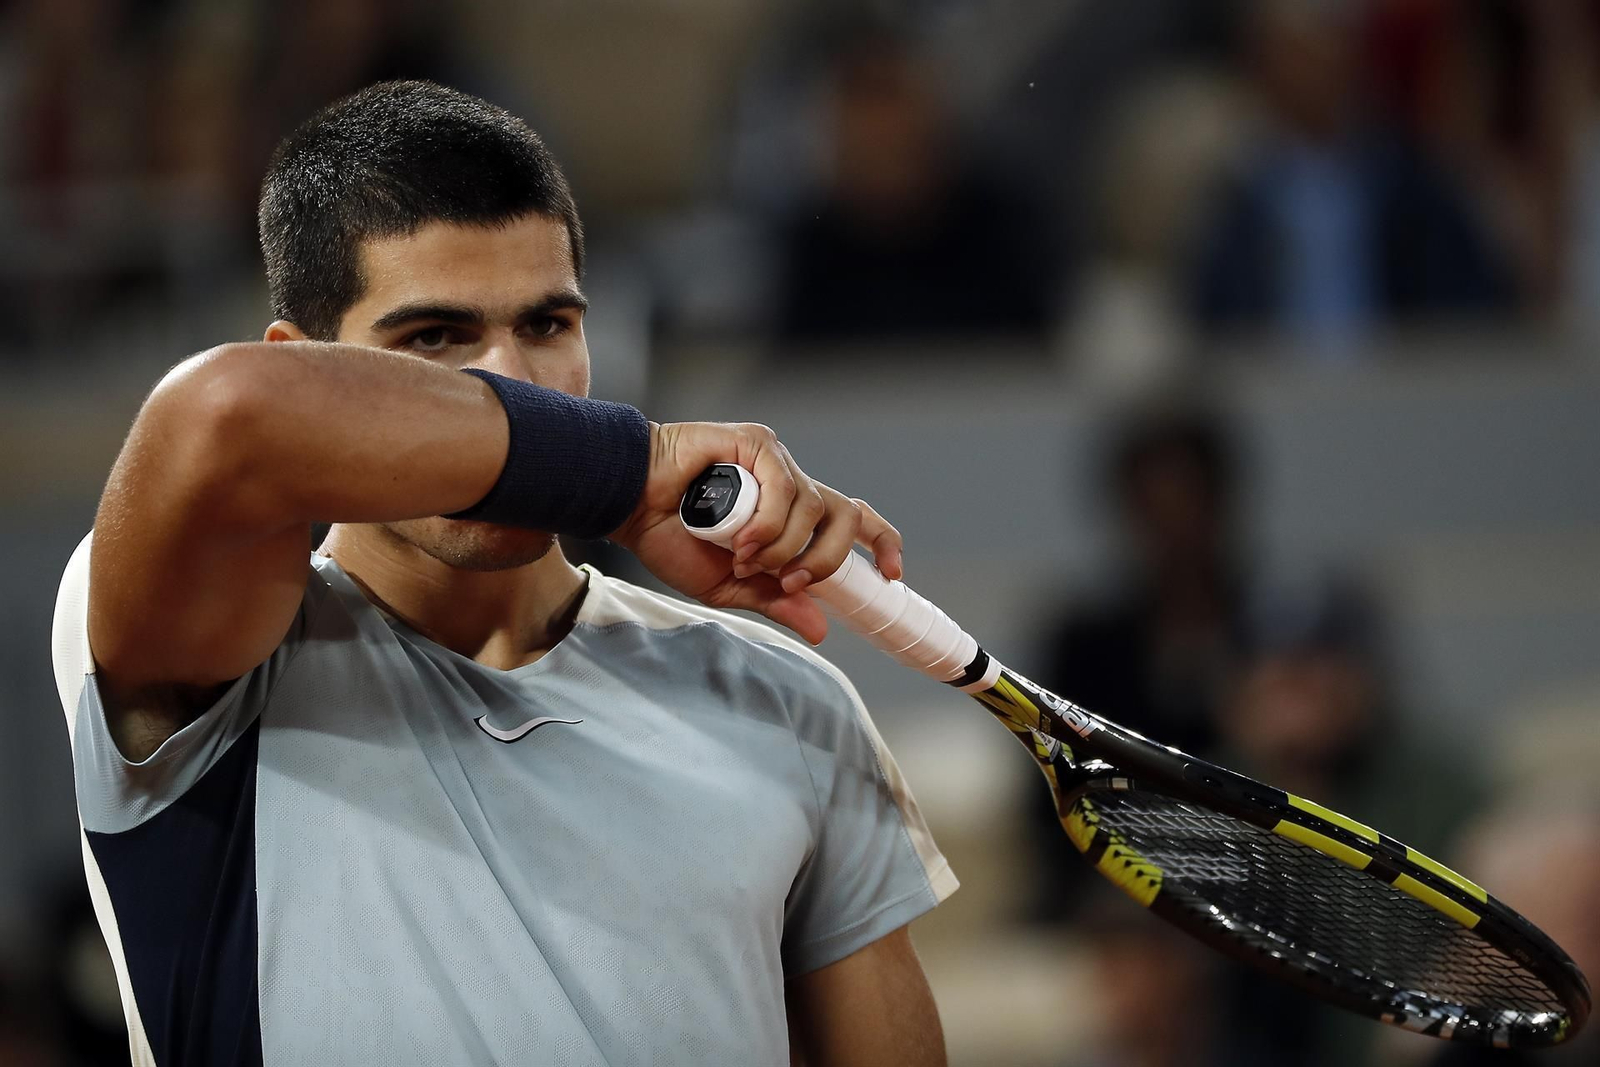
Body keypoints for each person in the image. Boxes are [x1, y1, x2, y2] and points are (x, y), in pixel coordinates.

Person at [50, 81, 956, 1066]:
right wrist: (621, 470)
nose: (514, 385)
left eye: (548, 325)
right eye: (431, 339)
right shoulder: (211, 658)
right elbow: (226, 414)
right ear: (304, 362)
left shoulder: (788, 700)